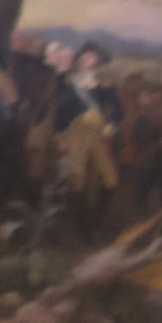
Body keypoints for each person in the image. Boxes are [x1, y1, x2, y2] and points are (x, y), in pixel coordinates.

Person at [51, 42, 123, 229]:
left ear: (97, 61)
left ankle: (98, 219)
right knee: (77, 179)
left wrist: (112, 124)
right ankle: (81, 225)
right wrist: (60, 137)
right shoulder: (69, 84)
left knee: (111, 180)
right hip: (76, 134)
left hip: (99, 135)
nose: (88, 61)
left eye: (92, 58)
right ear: (79, 60)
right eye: (84, 57)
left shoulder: (105, 85)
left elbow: (118, 111)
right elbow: (60, 113)